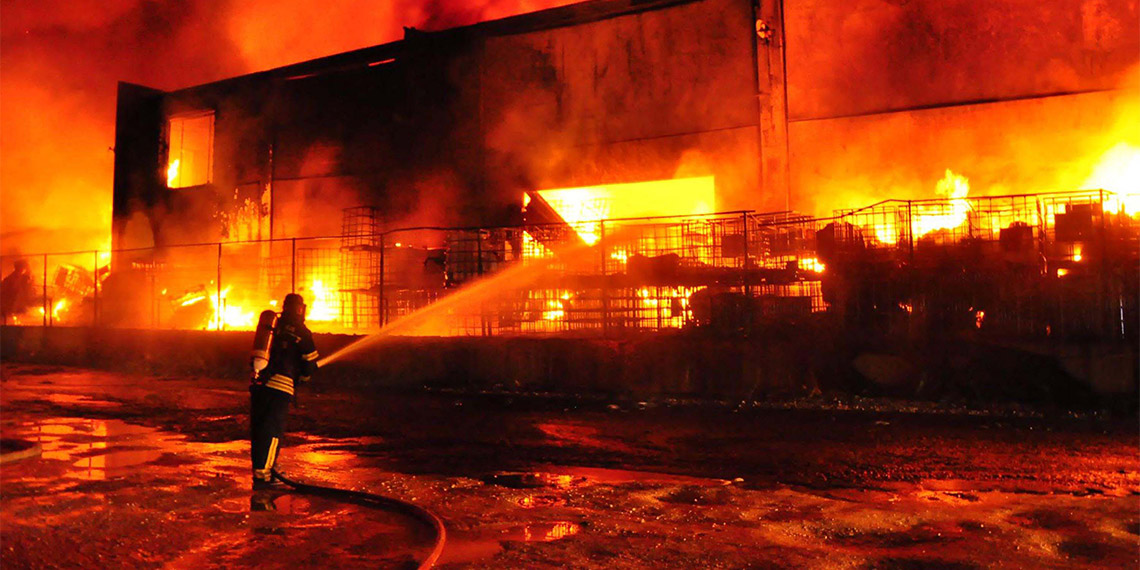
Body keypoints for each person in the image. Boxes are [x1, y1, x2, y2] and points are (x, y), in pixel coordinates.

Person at [250, 293, 319, 490]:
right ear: (300, 309)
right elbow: (310, 363)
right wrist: (305, 377)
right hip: (280, 387)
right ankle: (265, 474)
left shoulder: (273, 326)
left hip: (259, 384)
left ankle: (260, 469)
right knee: (272, 432)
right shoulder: (302, 331)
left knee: (259, 429)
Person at [1, 259, 35, 324]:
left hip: (15, 306)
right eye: (24, 267)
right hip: (11, 307)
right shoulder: (13, 278)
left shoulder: (19, 277)